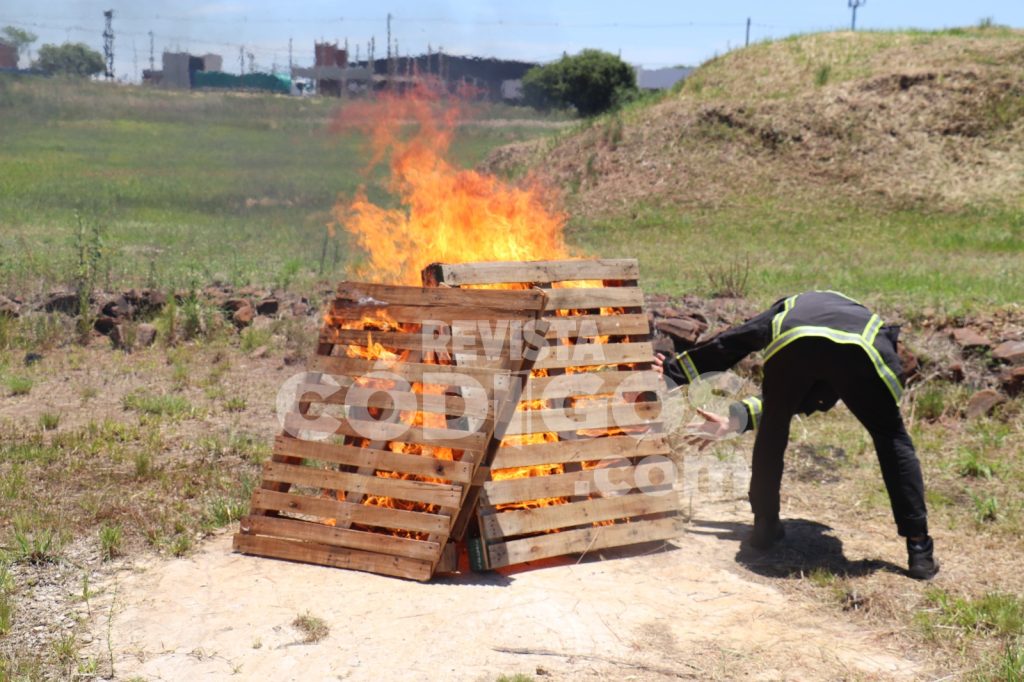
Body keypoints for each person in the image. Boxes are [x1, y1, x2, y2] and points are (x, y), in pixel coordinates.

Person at [653, 290, 939, 580]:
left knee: (773, 430)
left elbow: (737, 339)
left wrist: (674, 372)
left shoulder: (790, 307)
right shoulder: (866, 318)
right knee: (892, 440)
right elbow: (824, 391)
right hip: (862, 350)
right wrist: (737, 418)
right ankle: (919, 550)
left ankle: (764, 527)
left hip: (794, 344)